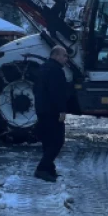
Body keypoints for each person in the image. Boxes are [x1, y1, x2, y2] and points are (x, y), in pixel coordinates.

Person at [33, 46, 71, 182]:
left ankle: (49, 169)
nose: (67, 58)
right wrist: (62, 110)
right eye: (65, 55)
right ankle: (42, 169)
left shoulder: (42, 68)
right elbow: (57, 93)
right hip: (52, 111)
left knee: (48, 140)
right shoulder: (56, 71)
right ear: (56, 55)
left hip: (42, 110)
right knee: (57, 141)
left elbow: (35, 89)